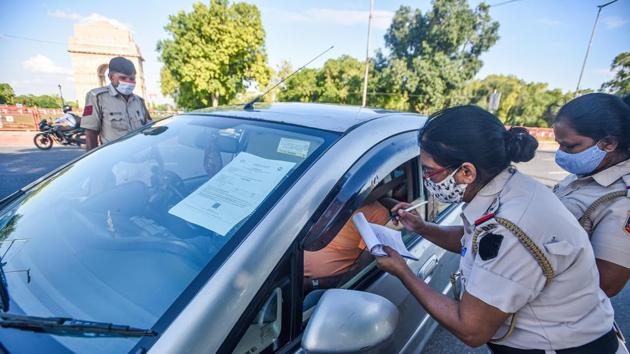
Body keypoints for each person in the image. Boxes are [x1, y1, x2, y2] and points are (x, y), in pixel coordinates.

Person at [375, 105, 619, 353]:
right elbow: (473, 239)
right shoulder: (511, 188)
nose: (426, 180)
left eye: (429, 171)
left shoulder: (509, 227)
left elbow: (471, 329)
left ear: (467, 172)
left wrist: (403, 272)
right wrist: (422, 227)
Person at [552, 93, 630, 298]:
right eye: (559, 143)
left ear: (609, 143)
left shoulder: (623, 199)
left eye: (570, 146)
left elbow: (607, 282)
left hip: (561, 318)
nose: (561, 152)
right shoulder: (583, 175)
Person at [81, 56, 152, 151]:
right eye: (123, 78)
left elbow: (149, 130)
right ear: (110, 77)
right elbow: (91, 134)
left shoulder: (138, 101)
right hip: (115, 161)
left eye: (132, 78)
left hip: (141, 157)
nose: (128, 82)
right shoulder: (97, 97)